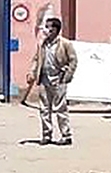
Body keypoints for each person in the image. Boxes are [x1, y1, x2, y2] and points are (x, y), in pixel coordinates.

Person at [27, 17, 78, 146]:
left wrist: (68, 75)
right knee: (44, 108)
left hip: (59, 79)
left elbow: (73, 60)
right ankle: (47, 135)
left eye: (50, 27)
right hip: (44, 79)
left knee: (60, 108)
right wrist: (32, 72)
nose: (47, 29)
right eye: (46, 26)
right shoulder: (42, 44)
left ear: (56, 29)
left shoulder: (65, 44)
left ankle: (66, 135)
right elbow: (36, 59)